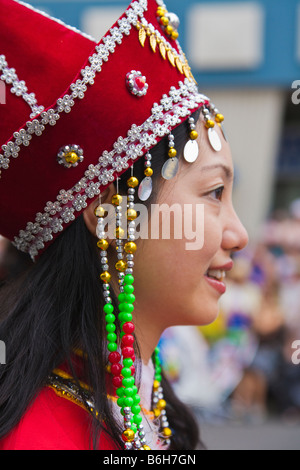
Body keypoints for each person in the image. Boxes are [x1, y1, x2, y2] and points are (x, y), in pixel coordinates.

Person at [0, 0, 248, 450]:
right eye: (214, 193)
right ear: (109, 213)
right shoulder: (36, 437)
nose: (239, 235)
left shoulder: (156, 408)